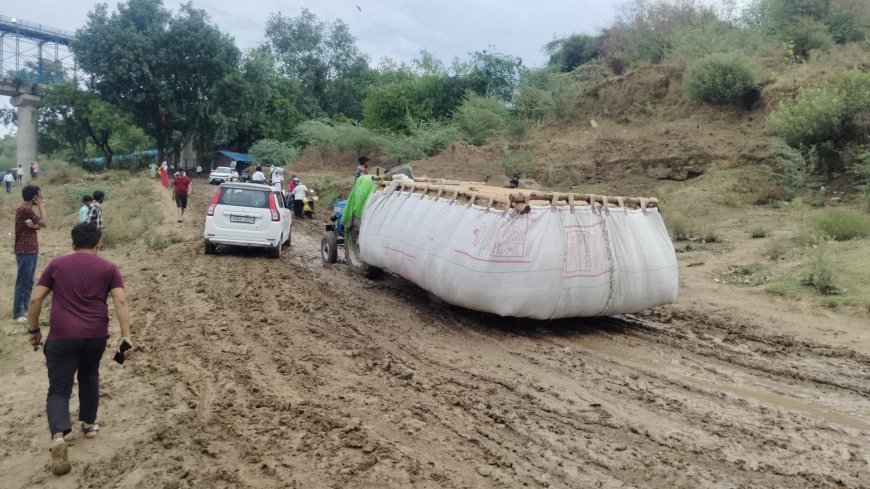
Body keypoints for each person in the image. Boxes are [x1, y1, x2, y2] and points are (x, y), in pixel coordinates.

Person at [26, 222, 133, 476]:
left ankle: (59, 436)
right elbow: (120, 300)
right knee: (89, 375)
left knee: (59, 389)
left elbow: (35, 298)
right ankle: (89, 424)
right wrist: (126, 336)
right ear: (98, 244)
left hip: (62, 337)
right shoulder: (109, 268)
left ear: (72, 244)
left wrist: (34, 330)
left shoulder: (57, 265)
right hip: (95, 336)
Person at [13, 185, 47, 323]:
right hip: (25, 251)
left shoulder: (27, 210)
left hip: (30, 250)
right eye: (39, 196)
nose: (41, 198)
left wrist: (34, 226)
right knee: (23, 282)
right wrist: (42, 206)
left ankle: (25, 309)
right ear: (34, 197)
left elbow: (38, 225)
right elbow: (44, 223)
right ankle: (18, 313)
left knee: (28, 282)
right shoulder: (25, 210)